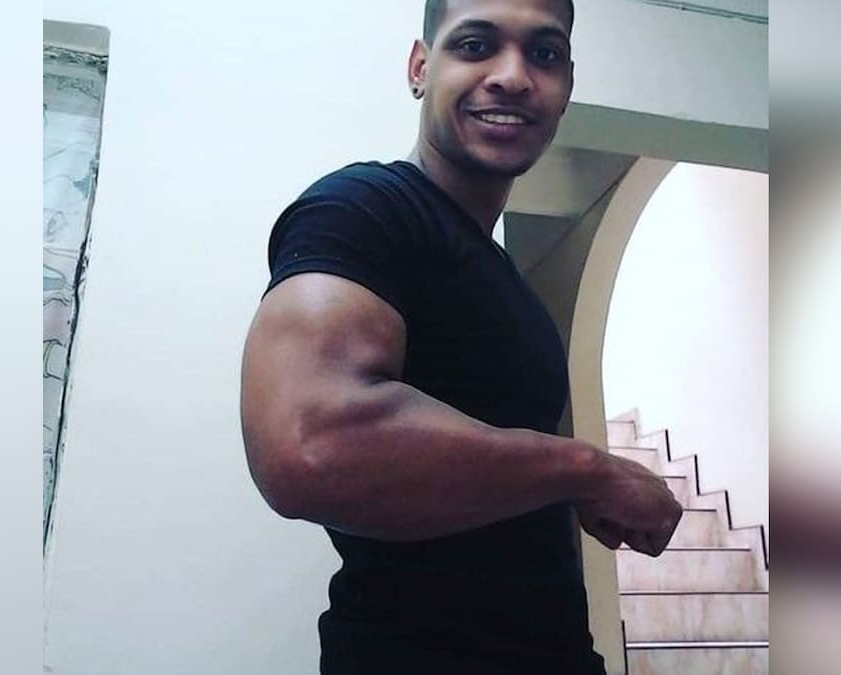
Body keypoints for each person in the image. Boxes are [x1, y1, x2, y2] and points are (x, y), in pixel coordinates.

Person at [240, 1, 683, 672]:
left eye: (544, 54)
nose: (513, 76)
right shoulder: (363, 207)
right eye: (476, 45)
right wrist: (587, 470)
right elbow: (310, 444)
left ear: (566, 86)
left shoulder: (501, 273)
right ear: (420, 68)